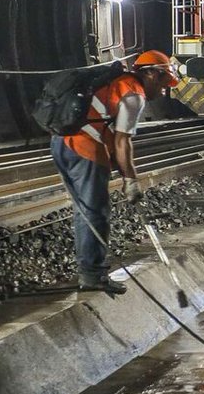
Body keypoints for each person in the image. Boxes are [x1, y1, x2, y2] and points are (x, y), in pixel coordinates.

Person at [51, 50, 179, 294]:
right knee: (95, 213)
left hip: (61, 144)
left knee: (84, 211)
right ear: (152, 74)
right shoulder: (133, 95)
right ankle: (93, 276)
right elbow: (122, 142)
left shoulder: (116, 82)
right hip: (84, 148)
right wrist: (131, 180)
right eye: (164, 82)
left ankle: (89, 271)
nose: (164, 90)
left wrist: (122, 172)